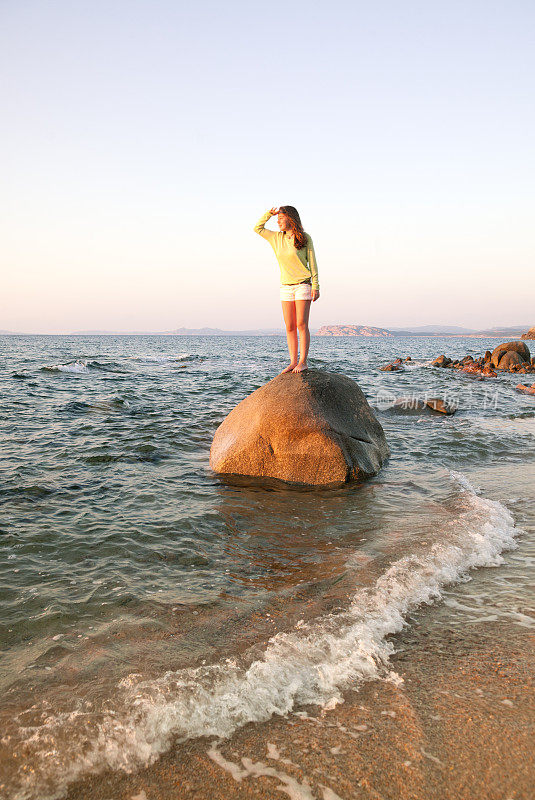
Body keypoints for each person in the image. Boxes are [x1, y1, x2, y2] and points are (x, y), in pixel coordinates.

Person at [254, 206, 320, 374]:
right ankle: (293, 362)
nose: (278, 222)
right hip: (285, 287)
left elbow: (312, 263)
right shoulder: (276, 238)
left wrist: (316, 285)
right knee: (289, 326)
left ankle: (303, 362)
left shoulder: (305, 238)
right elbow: (257, 228)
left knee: (301, 324)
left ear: (291, 219)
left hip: (303, 285)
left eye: (281, 219)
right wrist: (270, 214)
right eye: (277, 220)